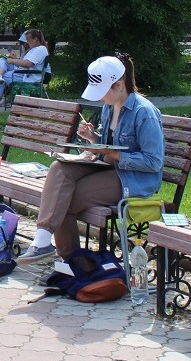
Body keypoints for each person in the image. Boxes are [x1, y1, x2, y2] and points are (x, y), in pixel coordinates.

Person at [16, 54, 163, 265]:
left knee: (64, 200)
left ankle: (74, 264)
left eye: (103, 92)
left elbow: (153, 162)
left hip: (131, 178)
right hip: (106, 167)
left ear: (119, 85)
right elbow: (107, 145)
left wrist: (114, 154)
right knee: (59, 167)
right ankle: (42, 242)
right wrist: (92, 138)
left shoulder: (144, 113)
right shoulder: (108, 107)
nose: (100, 98)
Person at [0, 29, 50, 112]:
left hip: (28, 76)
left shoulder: (40, 49)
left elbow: (28, 64)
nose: (27, 42)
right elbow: (26, 62)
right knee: (3, 60)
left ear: (35, 39)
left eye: (28, 40)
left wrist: (12, 61)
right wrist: (16, 59)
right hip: (24, 72)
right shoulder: (35, 49)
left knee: (4, 77)